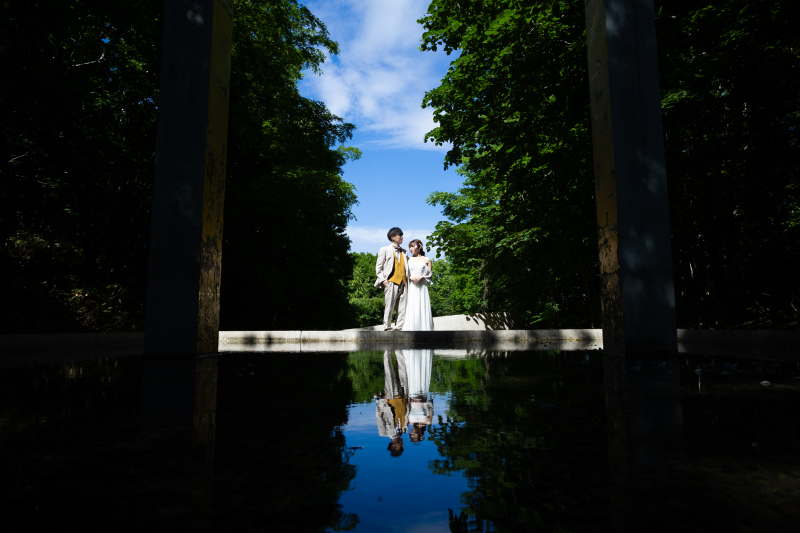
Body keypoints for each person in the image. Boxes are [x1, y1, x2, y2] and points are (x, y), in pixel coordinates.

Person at [375, 227, 411, 331]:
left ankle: (399, 328)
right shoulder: (384, 249)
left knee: (402, 307)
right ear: (393, 237)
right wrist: (383, 281)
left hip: (404, 282)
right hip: (391, 282)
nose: (402, 237)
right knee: (389, 306)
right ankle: (387, 328)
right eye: (400, 235)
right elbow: (378, 267)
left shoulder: (404, 252)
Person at [403, 239, 434, 331]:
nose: (411, 249)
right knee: (412, 306)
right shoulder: (408, 259)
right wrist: (410, 277)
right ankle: (411, 329)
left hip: (422, 286)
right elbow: (404, 273)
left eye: (413, 246)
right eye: (410, 247)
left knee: (422, 306)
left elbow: (430, 274)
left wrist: (422, 276)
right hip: (411, 286)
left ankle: (425, 329)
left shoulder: (427, 259)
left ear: (419, 247)